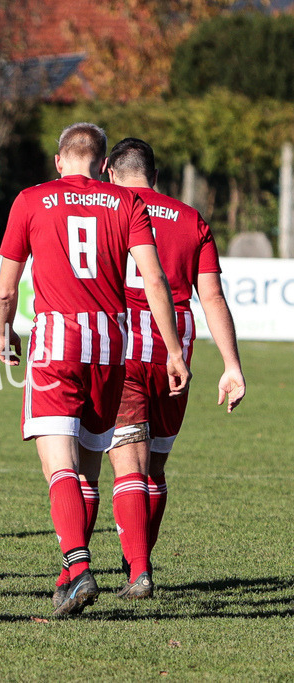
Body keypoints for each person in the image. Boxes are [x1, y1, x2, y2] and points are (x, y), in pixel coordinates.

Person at [0, 122, 191, 617]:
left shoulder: (31, 199)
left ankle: (78, 565)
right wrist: (173, 349)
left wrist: (4, 331)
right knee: (87, 469)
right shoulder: (126, 203)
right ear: (104, 165)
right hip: (109, 347)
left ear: (59, 161)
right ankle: (70, 578)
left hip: (57, 342)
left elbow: (5, 288)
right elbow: (155, 281)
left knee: (59, 465)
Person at [97, 137, 245, 598]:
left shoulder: (105, 210)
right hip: (174, 348)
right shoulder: (190, 219)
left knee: (128, 463)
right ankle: (136, 562)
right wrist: (232, 366)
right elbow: (212, 297)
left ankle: (138, 570)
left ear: (109, 172)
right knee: (154, 468)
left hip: (122, 342)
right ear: (155, 175)